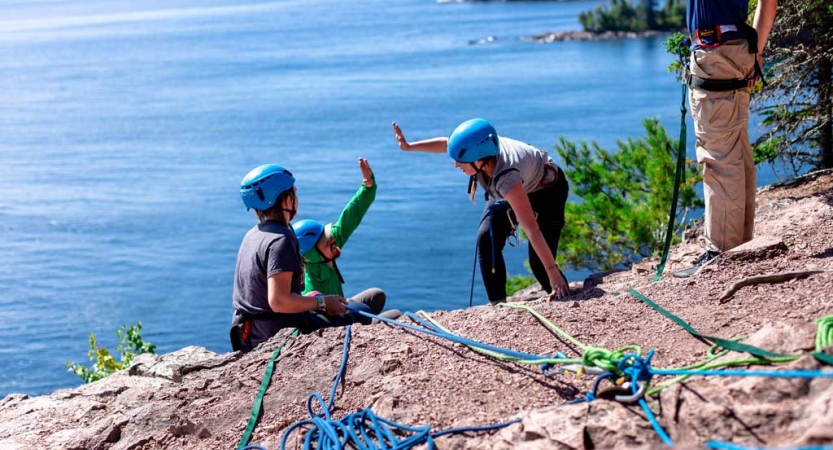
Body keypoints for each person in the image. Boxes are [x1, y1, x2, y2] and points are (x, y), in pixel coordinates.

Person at [393, 119, 570, 304]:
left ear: (479, 159)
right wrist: (409, 146)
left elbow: (532, 230)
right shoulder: (482, 150)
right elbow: (448, 143)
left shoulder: (506, 176)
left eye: (461, 161)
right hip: (514, 185)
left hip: (547, 191)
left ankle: (564, 300)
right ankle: (499, 306)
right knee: (486, 239)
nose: (456, 165)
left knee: (541, 266)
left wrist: (553, 271)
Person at [674, 0, 778, 278]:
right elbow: (769, 3)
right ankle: (739, 245)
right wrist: (756, 51)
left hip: (715, 53)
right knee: (736, 149)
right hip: (737, 49)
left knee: (718, 157)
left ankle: (722, 252)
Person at [229, 163, 373, 353]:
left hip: (249, 333)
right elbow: (278, 301)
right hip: (274, 333)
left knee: (363, 305)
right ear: (286, 200)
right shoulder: (281, 240)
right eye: (294, 193)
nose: (297, 198)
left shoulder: (253, 234)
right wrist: (322, 302)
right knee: (367, 312)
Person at [293, 157, 396, 319]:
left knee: (377, 295)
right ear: (312, 256)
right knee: (395, 315)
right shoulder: (311, 290)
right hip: (338, 320)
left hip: (342, 306)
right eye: (327, 242)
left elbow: (351, 215)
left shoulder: (327, 250)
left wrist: (367, 185)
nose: (332, 240)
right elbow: (327, 320)